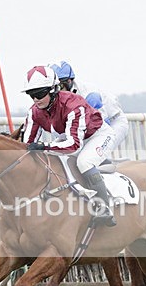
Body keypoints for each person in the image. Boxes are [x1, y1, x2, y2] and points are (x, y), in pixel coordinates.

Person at [21, 65, 117, 227]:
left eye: (39, 94)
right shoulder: (34, 112)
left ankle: (104, 207)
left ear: (53, 90)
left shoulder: (74, 104)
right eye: (31, 95)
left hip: (97, 135)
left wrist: (44, 146)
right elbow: (26, 145)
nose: (36, 99)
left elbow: (73, 146)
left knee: (84, 162)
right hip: (72, 136)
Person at [50, 61, 130, 151]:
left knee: (90, 152)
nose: (57, 92)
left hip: (113, 123)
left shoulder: (89, 94)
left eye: (59, 86)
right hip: (88, 126)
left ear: (69, 82)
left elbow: (102, 126)